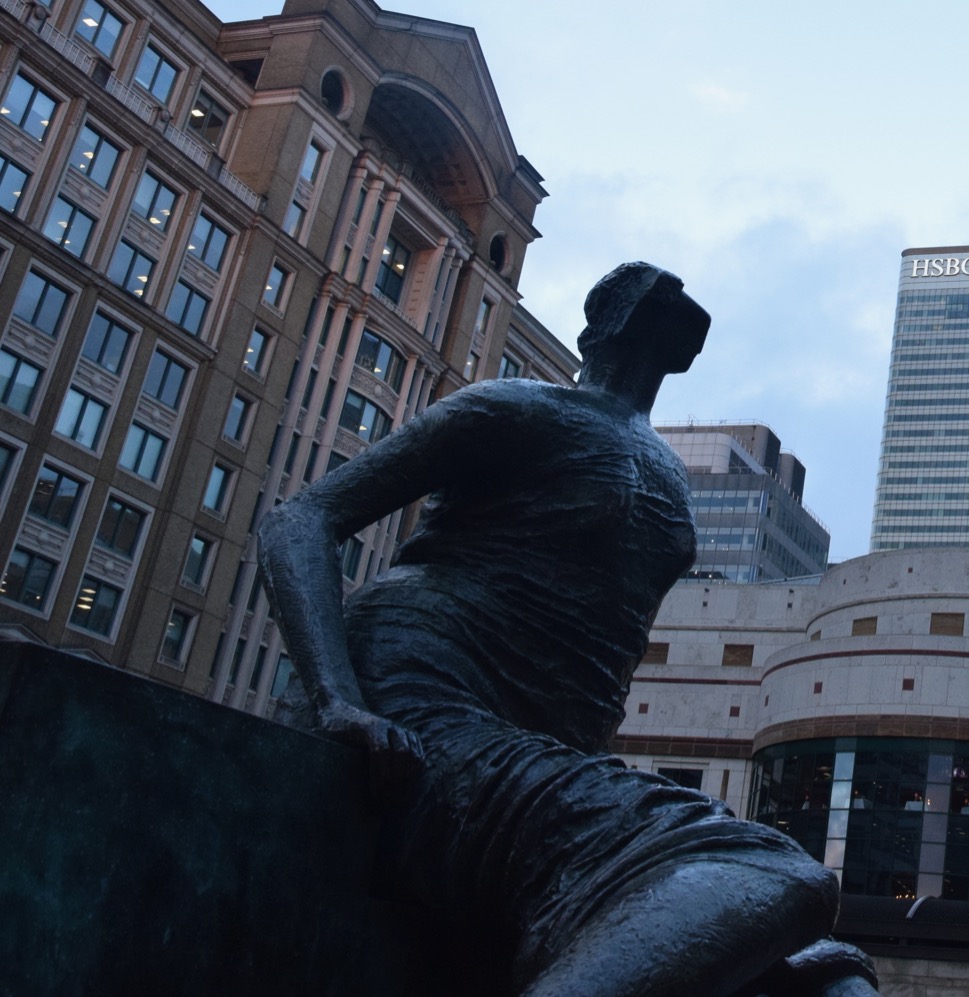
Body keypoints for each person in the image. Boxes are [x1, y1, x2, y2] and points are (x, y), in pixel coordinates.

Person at [257, 262, 876, 997]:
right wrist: (335, 696)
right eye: (645, 310)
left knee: (830, 983)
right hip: (422, 708)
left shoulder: (666, 473)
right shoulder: (518, 408)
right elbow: (302, 517)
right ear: (598, 331)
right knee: (768, 869)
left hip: (538, 756)